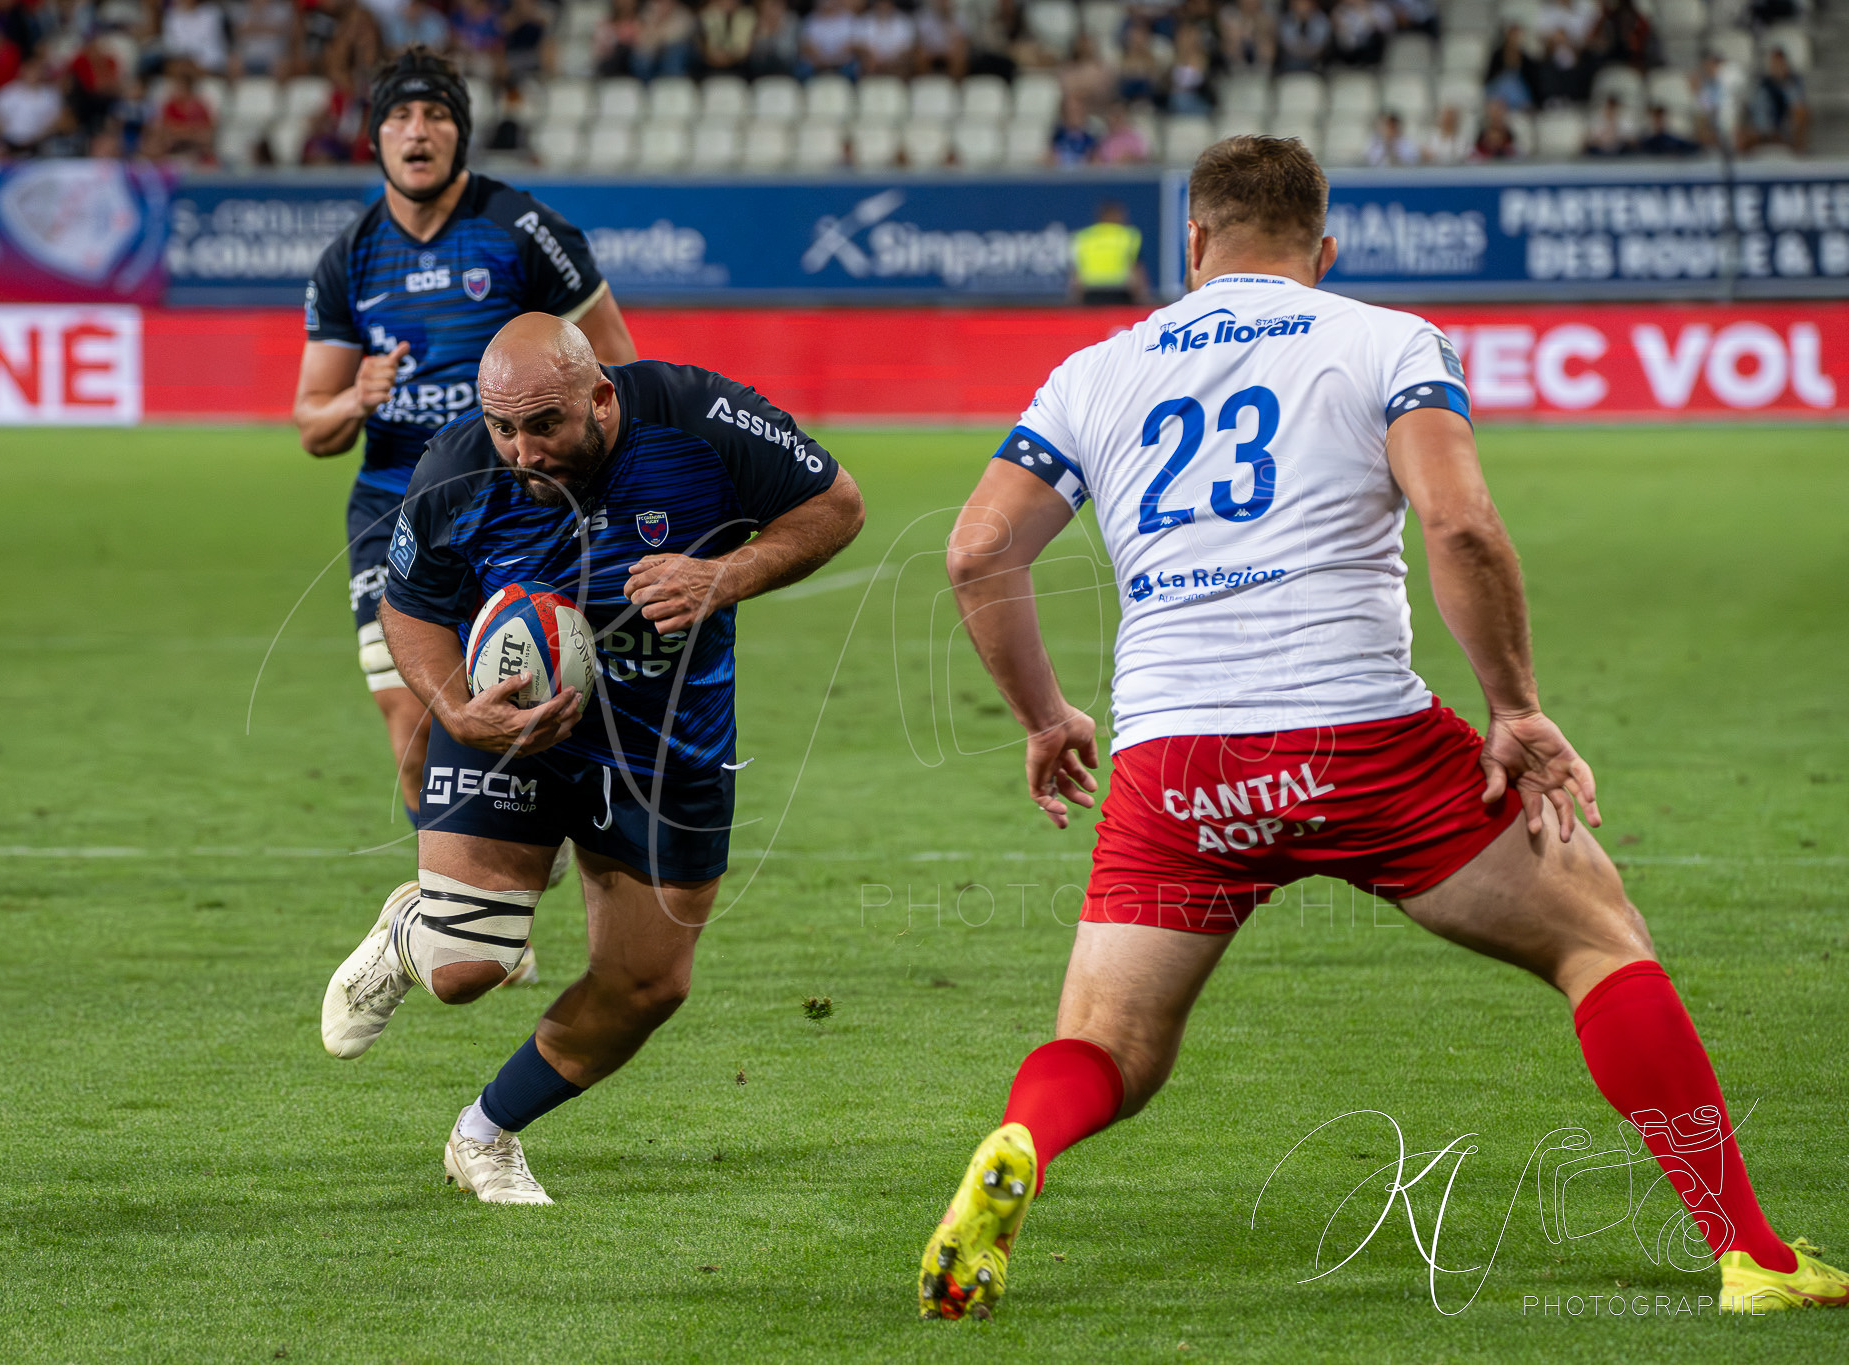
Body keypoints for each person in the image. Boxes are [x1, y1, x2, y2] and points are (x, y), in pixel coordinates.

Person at [915, 133, 1849, 1320]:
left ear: (1190, 242)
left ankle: (1020, 1152)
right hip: (1362, 744)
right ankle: (1754, 1257)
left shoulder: (1096, 369)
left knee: (1107, 1048)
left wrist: (1044, 716)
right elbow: (1456, 525)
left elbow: (976, 549)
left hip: (1175, 765)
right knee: (1597, 942)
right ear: (1323, 248)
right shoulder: (1381, 338)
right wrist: (1513, 706)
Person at [318, 313, 866, 1202]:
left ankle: (483, 1133)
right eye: (505, 427)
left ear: (601, 397)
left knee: (647, 983)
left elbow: (837, 505)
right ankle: (410, 935)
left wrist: (726, 574)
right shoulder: (457, 468)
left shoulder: (700, 418)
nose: (523, 449)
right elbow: (409, 606)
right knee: (467, 970)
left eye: (545, 425)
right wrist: (455, 706)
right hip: (512, 727)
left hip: (665, 741)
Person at [295, 46, 637, 848]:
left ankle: (516, 864)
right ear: (375, 137)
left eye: (438, 115)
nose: (419, 132)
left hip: (520, 501)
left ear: (462, 133)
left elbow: (617, 366)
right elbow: (313, 424)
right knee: (411, 718)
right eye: (401, 118)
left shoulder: (521, 229)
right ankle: (459, 905)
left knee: (535, 696)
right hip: (394, 506)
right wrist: (357, 396)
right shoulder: (348, 259)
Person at [1069, 199, 1149, 303]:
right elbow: (1136, 271)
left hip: (1091, 295)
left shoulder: (1083, 237)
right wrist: (1142, 299)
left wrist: (1075, 301)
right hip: (1120, 293)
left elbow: (1076, 275)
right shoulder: (1128, 236)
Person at [1741, 47, 1808, 154]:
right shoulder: (1762, 84)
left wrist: (1783, 83)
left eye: (1779, 63)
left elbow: (1798, 109)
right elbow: (1751, 108)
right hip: (1760, 132)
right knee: (1740, 137)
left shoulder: (1791, 84)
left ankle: (1795, 148)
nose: (1776, 67)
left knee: (1802, 113)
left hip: (1780, 132)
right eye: (1773, 63)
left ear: (1784, 64)